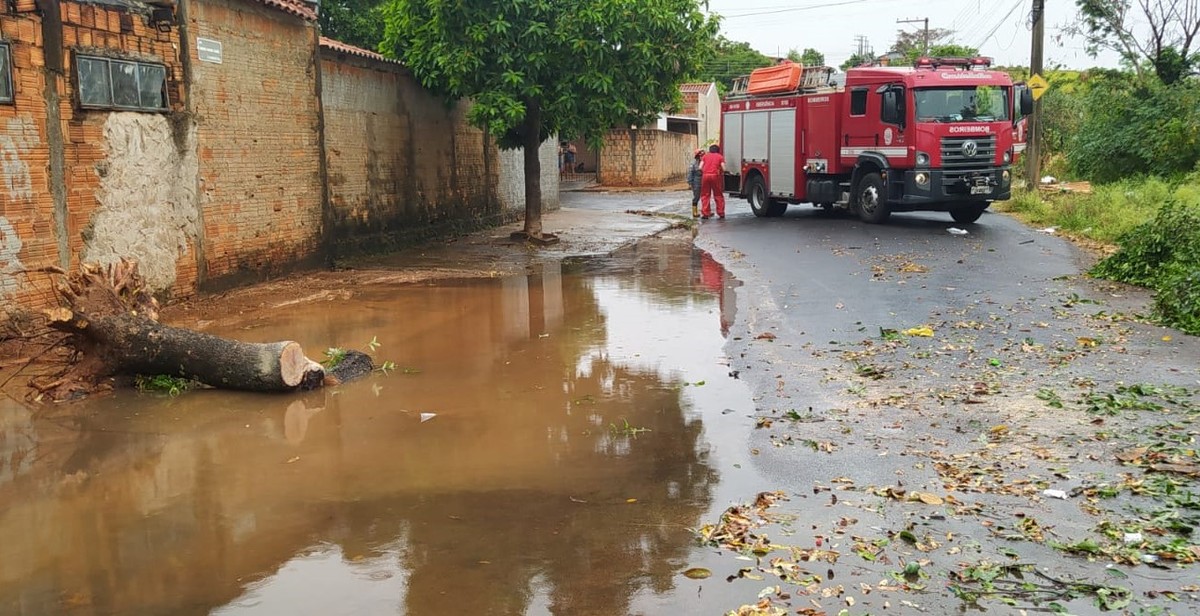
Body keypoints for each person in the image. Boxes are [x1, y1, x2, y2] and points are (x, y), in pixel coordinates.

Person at [699, 144, 726, 219]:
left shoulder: (705, 156)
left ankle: (705, 213)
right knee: (718, 194)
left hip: (705, 176)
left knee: (705, 195)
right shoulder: (720, 157)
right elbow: (724, 168)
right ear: (718, 150)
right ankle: (721, 213)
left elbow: (700, 167)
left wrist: (705, 171)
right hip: (715, 176)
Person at [686, 148, 704, 217]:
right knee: (696, 196)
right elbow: (690, 173)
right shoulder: (693, 163)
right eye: (701, 155)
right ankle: (694, 212)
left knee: (705, 196)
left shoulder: (704, 161)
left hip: (704, 180)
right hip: (696, 181)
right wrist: (690, 183)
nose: (702, 156)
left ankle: (706, 211)